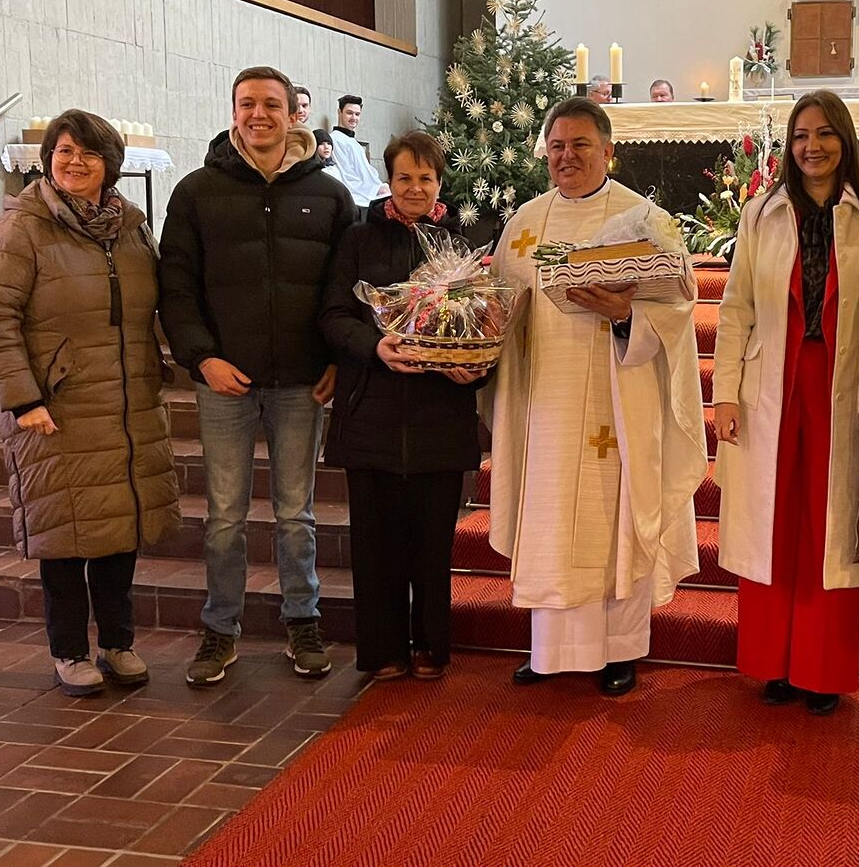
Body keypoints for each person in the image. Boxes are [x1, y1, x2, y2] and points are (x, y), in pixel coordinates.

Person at [486, 96, 706, 697]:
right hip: (545, 404)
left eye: (580, 145)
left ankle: (619, 650)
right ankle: (551, 651)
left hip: (620, 395)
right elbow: (499, 308)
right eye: (556, 146)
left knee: (615, 516)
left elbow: (679, 312)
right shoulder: (525, 224)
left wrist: (626, 315)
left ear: (608, 151)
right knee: (551, 518)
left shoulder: (645, 220)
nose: (567, 156)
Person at [159, 66, 357, 687]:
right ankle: (220, 629)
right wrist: (202, 358)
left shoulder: (328, 194)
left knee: (297, 515)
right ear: (233, 112)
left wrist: (336, 359)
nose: (259, 114)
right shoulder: (196, 192)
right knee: (225, 516)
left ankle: (303, 621)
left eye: (272, 104)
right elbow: (176, 287)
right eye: (247, 104)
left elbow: (346, 289)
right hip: (224, 380)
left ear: (293, 113)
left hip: (301, 381)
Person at [0, 109, 180, 697]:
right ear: (47, 161)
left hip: (127, 402)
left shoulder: (130, 228)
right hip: (56, 409)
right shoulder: (21, 229)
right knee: (63, 535)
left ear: (110, 164)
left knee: (119, 527)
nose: (75, 162)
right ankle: (68, 651)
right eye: (64, 151)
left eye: (87, 153)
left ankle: (118, 642)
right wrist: (23, 399)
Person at [713, 91, 859, 715]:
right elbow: (736, 307)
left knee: (830, 525)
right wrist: (725, 393)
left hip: (844, 386)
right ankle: (773, 663)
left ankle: (821, 670)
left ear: (845, 140)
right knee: (775, 523)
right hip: (773, 382)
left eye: (823, 134)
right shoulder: (761, 213)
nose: (811, 147)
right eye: (800, 136)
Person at [320, 131, 487, 681]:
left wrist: (478, 366)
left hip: (441, 414)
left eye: (426, 178)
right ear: (388, 180)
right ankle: (383, 649)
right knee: (376, 543)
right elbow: (334, 315)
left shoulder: (462, 244)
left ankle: (431, 646)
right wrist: (376, 346)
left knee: (433, 542)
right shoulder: (358, 239)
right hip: (372, 408)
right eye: (404, 177)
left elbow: (487, 323)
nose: (415, 188)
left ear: (440, 181)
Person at [328, 94, 389, 208]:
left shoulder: (353, 142)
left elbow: (366, 172)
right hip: (356, 196)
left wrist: (379, 186)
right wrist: (375, 189)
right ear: (339, 112)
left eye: (357, 114)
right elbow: (347, 175)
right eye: (349, 113)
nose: (354, 118)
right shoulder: (336, 139)